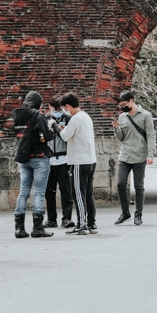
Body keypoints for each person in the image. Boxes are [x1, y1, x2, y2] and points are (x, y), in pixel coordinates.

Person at [12, 90, 58, 238]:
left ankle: (19, 228)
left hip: (24, 158)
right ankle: (37, 228)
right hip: (39, 157)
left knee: (24, 190)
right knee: (38, 191)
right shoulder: (37, 116)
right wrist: (51, 128)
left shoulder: (18, 115)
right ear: (38, 103)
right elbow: (47, 136)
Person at [113, 90, 155, 226]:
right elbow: (121, 138)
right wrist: (117, 129)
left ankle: (138, 214)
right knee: (120, 183)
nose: (123, 107)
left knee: (138, 186)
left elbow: (150, 135)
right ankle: (125, 212)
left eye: (125, 104)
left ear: (131, 101)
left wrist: (151, 154)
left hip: (139, 155)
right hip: (125, 155)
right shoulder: (122, 117)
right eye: (121, 105)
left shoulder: (146, 116)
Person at [59, 92, 97, 235]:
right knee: (88, 194)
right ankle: (92, 223)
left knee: (78, 194)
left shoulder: (75, 119)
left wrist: (57, 129)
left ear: (68, 106)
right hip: (90, 159)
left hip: (79, 162)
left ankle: (82, 224)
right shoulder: (86, 117)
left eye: (64, 107)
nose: (64, 110)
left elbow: (64, 136)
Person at [43, 95, 74, 229]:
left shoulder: (69, 119)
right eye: (54, 108)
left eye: (59, 108)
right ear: (49, 107)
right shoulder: (44, 119)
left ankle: (66, 218)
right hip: (49, 159)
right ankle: (51, 219)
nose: (56, 111)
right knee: (49, 191)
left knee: (65, 190)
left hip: (64, 158)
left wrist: (61, 130)